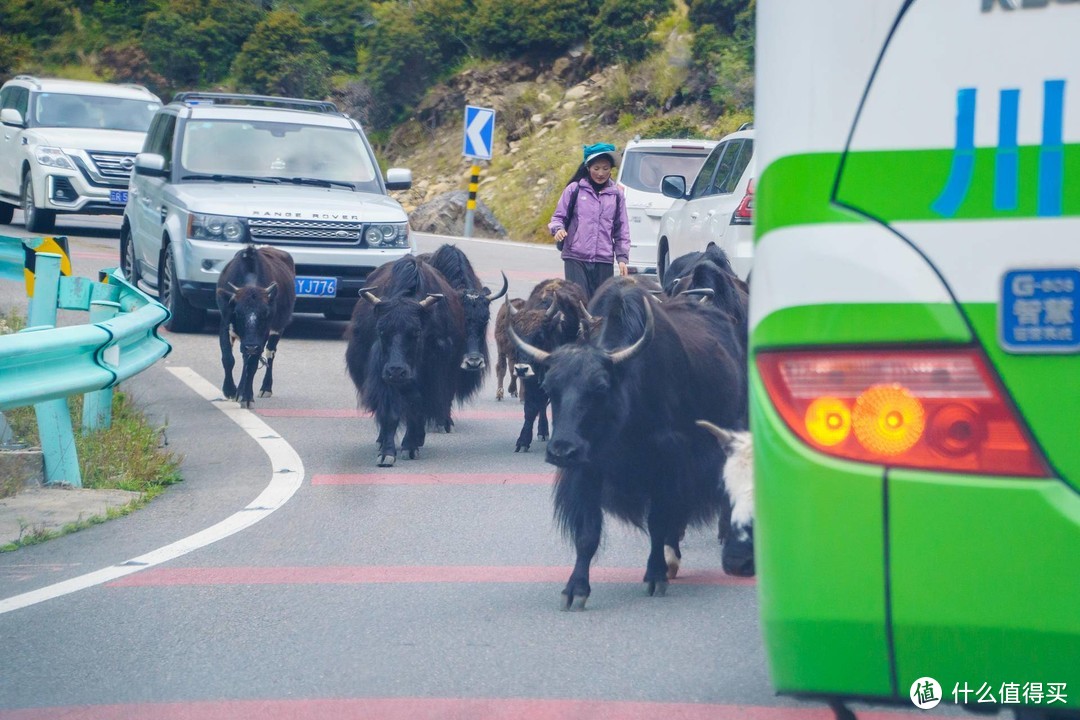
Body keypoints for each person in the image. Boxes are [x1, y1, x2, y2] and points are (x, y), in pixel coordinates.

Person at [548, 142, 630, 299]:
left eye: (606, 168)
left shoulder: (616, 195)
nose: (601, 173)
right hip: (575, 257)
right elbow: (558, 217)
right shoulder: (574, 189)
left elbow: (622, 229)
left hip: (604, 260)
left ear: (611, 170)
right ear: (588, 168)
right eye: (596, 168)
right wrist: (558, 230)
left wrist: (622, 258)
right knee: (578, 302)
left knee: (600, 305)